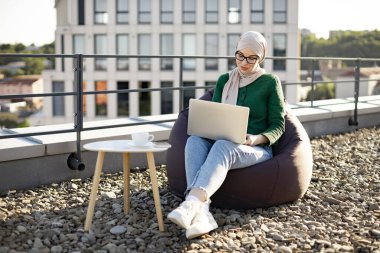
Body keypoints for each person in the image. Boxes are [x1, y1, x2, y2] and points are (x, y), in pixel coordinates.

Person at [167, 31, 286, 239]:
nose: (244, 62)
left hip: (256, 148)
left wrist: (255, 139)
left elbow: (278, 125)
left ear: (261, 58)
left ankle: (190, 204)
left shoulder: (270, 82)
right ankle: (203, 215)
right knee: (194, 140)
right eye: (240, 55)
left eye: (252, 58)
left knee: (223, 146)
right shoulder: (225, 80)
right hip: (223, 141)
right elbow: (216, 116)